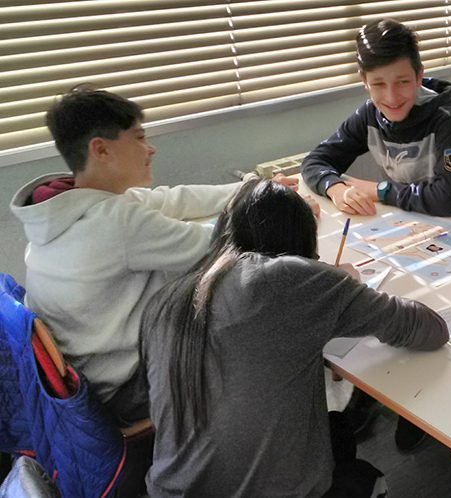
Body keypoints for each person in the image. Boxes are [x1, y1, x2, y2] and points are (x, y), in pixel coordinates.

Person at [8, 87, 318, 425]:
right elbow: (217, 246)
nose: (150, 148)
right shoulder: (115, 224)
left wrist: (253, 188)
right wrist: (281, 210)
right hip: (127, 389)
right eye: (139, 138)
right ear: (101, 149)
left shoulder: (63, 207)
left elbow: (171, 199)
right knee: (264, 328)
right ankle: (309, 422)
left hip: (90, 377)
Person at [140, 179, 449, 497]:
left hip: (169, 489)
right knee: (362, 473)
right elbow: (430, 329)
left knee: (338, 432)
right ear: (299, 240)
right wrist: (341, 285)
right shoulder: (291, 279)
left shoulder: (167, 300)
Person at [301, 19, 451, 221]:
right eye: (378, 84)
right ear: (364, 82)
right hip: (407, 223)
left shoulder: (448, 119)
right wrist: (335, 188)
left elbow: (446, 200)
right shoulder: (369, 114)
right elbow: (314, 161)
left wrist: (380, 190)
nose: (392, 97)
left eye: (403, 82)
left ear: (419, 76)